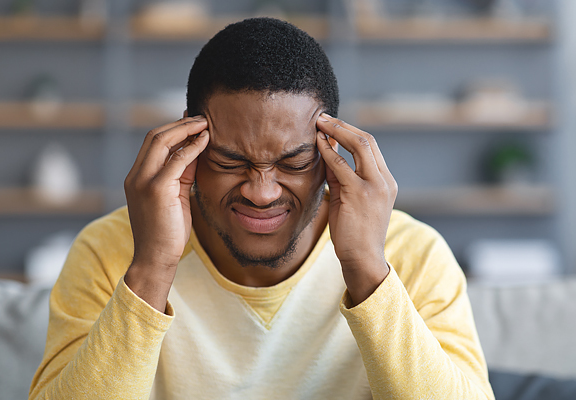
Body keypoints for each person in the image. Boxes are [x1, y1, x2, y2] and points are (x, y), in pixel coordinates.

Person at [29, 17, 494, 399]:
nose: (262, 192)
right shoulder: (109, 250)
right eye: (230, 161)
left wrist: (366, 267)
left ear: (331, 153)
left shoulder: (412, 253)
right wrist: (153, 266)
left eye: (294, 163)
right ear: (188, 146)